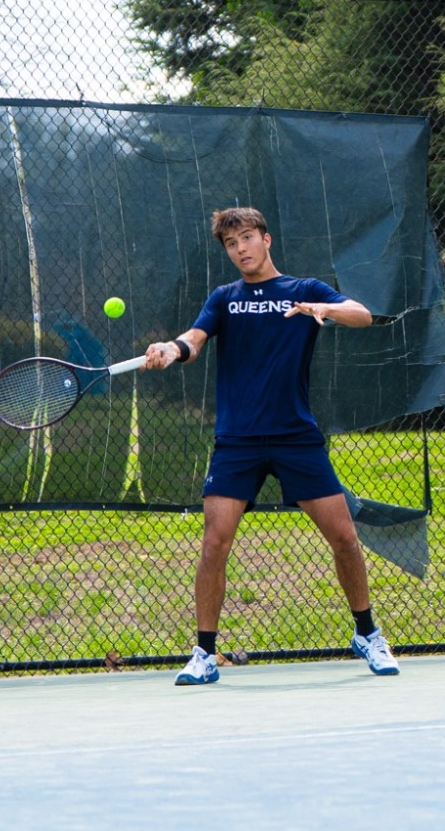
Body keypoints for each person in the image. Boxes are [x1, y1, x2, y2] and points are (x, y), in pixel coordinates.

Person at [144, 206, 399, 685]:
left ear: (266, 239)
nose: (239, 249)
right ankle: (203, 653)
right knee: (214, 543)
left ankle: (367, 633)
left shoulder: (303, 290)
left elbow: (362, 315)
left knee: (344, 537)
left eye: (246, 238)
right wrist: (170, 349)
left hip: (296, 437)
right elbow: (194, 339)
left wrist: (325, 309)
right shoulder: (224, 298)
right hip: (237, 441)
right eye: (230, 244)